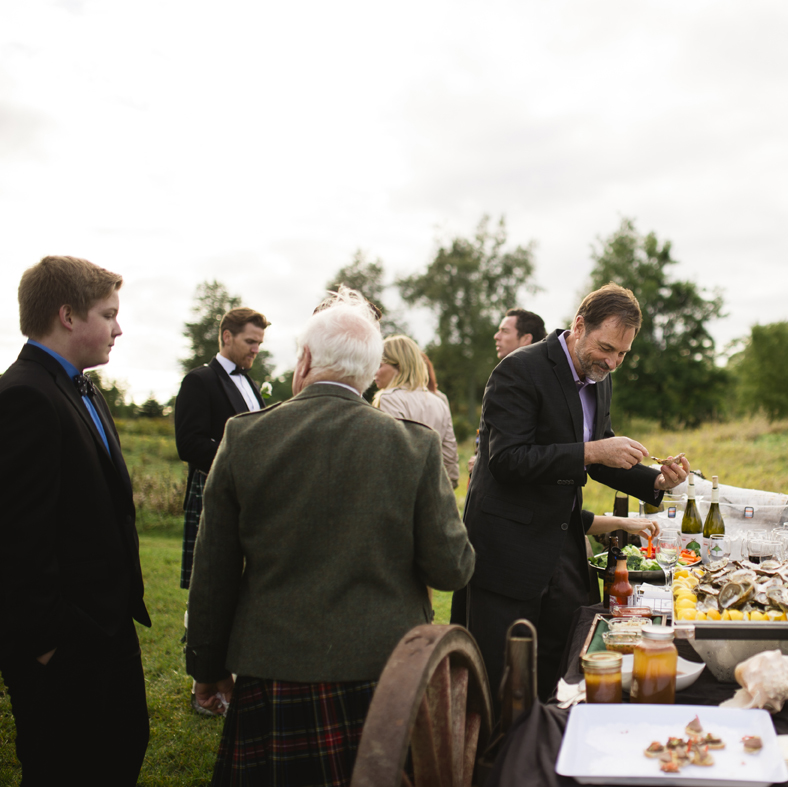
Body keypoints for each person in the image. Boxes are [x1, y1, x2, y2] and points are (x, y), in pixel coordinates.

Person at [186, 287, 474, 785]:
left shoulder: (243, 436)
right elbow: (452, 568)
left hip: (273, 673)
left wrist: (206, 668)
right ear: (368, 372)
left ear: (304, 361)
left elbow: (213, 572)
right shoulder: (414, 447)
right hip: (384, 676)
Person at [453, 283, 689, 700]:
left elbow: (599, 458)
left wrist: (655, 481)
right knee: (500, 680)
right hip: (506, 551)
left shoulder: (600, 378)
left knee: (563, 664)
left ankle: (551, 746)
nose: (613, 362)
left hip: (559, 547)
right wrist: (591, 449)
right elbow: (506, 461)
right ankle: (499, 762)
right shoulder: (518, 370)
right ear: (579, 326)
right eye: (607, 348)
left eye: (622, 354)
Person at [0, 255, 152, 784]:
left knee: (120, 755)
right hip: (65, 651)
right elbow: (17, 540)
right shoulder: (24, 395)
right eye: (108, 314)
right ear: (68, 315)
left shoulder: (82, 389)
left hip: (109, 633)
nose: (118, 327)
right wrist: (49, 648)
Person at [173, 306, 269, 715]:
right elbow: (189, 444)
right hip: (211, 492)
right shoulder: (199, 380)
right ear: (226, 336)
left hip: (248, 496)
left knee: (238, 585)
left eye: (260, 344)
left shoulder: (251, 383)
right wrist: (238, 461)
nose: (255, 352)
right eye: (250, 342)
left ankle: (227, 677)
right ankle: (203, 687)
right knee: (207, 588)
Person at [374, 335, 460, 488]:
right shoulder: (439, 402)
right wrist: (448, 486)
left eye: (379, 365)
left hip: (403, 492)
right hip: (433, 490)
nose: (374, 371)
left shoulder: (389, 398)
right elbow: (449, 456)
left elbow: (394, 453)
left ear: (398, 366)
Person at [469, 308, 549, 476]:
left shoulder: (533, 382)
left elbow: (516, 452)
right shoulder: (507, 374)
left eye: (504, 331)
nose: (496, 336)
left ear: (526, 339)